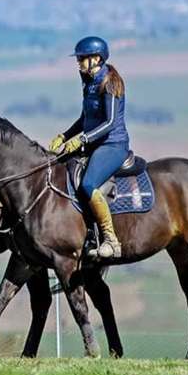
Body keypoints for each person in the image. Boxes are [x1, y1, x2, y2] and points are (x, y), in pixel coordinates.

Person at [49, 35, 129, 259]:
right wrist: (65, 136)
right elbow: (85, 118)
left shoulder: (110, 83)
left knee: (88, 184)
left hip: (112, 144)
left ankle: (111, 240)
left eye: (82, 58)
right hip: (93, 142)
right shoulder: (89, 82)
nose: (79, 62)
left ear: (97, 58)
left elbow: (110, 122)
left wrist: (82, 140)